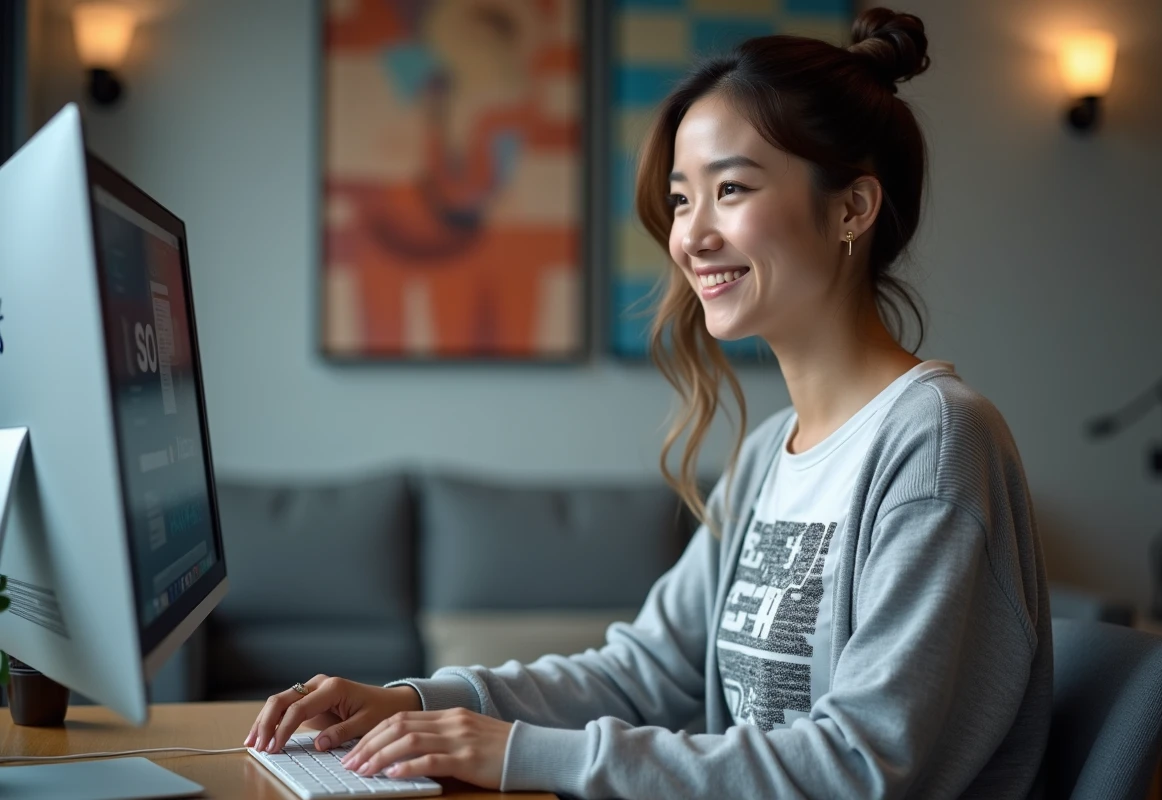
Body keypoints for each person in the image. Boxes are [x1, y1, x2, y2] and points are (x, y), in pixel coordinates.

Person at [248, 8, 1052, 798]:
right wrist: (419, 700)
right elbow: (646, 671)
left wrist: (521, 753)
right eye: (680, 199)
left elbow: (859, 766)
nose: (690, 236)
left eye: (730, 189)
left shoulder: (937, 441)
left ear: (852, 208)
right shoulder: (773, 452)